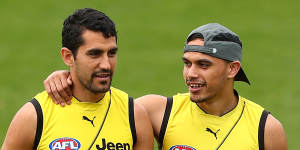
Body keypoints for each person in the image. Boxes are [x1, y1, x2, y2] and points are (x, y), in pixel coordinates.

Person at [41, 23, 287, 150]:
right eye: (187, 63)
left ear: (232, 69)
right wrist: (67, 75)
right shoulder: (158, 111)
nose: (191, 74)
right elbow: (100, 108)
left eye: (203, 65)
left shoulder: (265, 129)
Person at [1, 8, 153, 150]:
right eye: (94, 54)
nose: (106, 65)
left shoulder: (135, 116)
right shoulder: (34, 116)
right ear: (68, 57)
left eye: (111, 53)